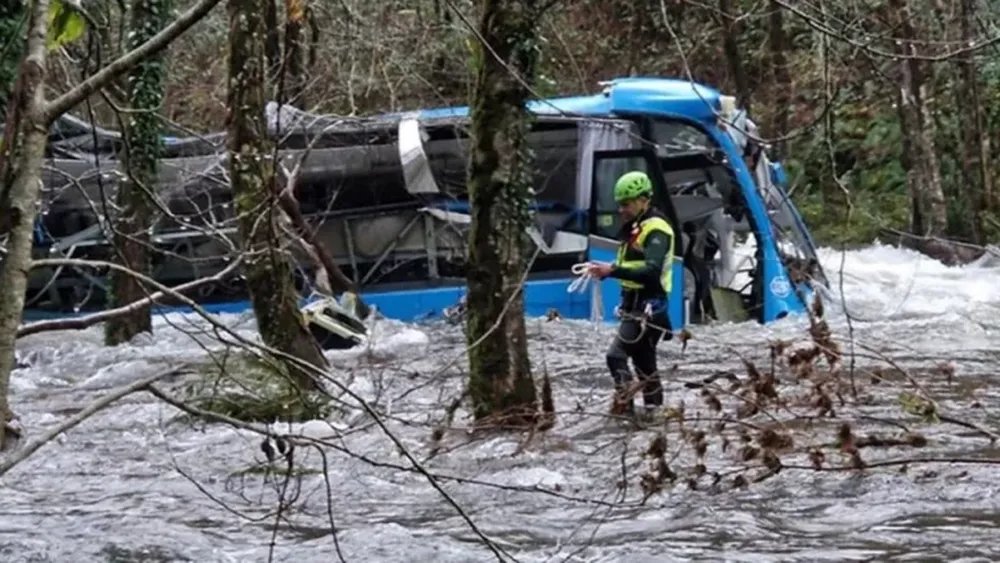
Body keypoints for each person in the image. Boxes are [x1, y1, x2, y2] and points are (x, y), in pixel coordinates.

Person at [586, 170, 676, 418]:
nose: (621, 210)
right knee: (645, 367)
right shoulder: (637, 226)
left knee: (615, 357)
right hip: (636, 306)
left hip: (649, 308)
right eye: (619, 205)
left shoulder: (657, 229)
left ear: (644, 199)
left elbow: (651, 271)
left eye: (626, 204)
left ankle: (624, 410)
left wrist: (611, 270)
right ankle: (652, 415)